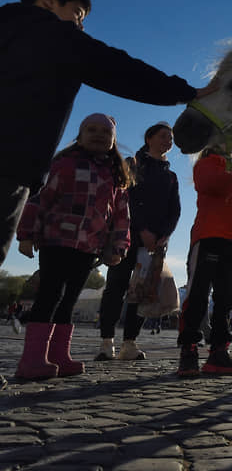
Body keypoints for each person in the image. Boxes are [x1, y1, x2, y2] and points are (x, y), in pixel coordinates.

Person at [0, 0, 216, 269]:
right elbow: (120, 70)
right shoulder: (56, 36)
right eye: (77, 15)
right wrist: (187, 91)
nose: (81, 27)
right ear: (48, 1)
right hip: (9, 165)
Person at [14, 114, 130, 379]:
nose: (98, 134)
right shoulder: (63, 164)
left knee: (69, 300)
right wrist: (26, 234)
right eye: (91, 129)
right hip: (56, 241)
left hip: (89, 247)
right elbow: (38, 199)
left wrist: (119, 246)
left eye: (105, 132)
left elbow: (121, 215)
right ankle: (32, 359)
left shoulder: (115, 175)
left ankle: (58, 355)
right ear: (79, 136)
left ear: (113, 141)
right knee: (49, 296)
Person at [95, 122, 181, 361]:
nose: (168, 141)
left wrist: (165, 234)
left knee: (142, 293)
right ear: (149, 138)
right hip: (126, 237)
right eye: (164, 136)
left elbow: (175, 210)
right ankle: (106, 342)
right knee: (116, 288)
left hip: (154, 246)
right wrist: (141, 229)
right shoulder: (132, 165)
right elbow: (126, 198)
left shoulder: (171, 176)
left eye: (170, 138)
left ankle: (129, 343)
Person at [176, 148, 232, 376]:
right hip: (209, 235)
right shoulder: (208, 162)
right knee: (198, 294)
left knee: (225, 299)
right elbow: (216, 184)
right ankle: (188, 350)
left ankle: (219, 351)